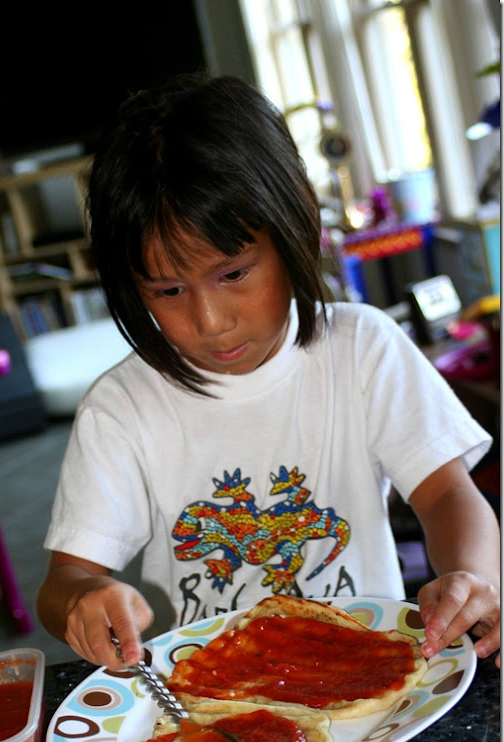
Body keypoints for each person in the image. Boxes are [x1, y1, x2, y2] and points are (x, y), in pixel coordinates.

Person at [36, 73, 500, 672]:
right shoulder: (122, 407)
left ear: (295, 225)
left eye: (233, 274)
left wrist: (471, 576)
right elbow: (64, 579)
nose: (210, 322)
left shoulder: (363, 348)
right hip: (220, 690)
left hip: (373, 672)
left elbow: (446, 495)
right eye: (168, 290)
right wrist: (82, 598)